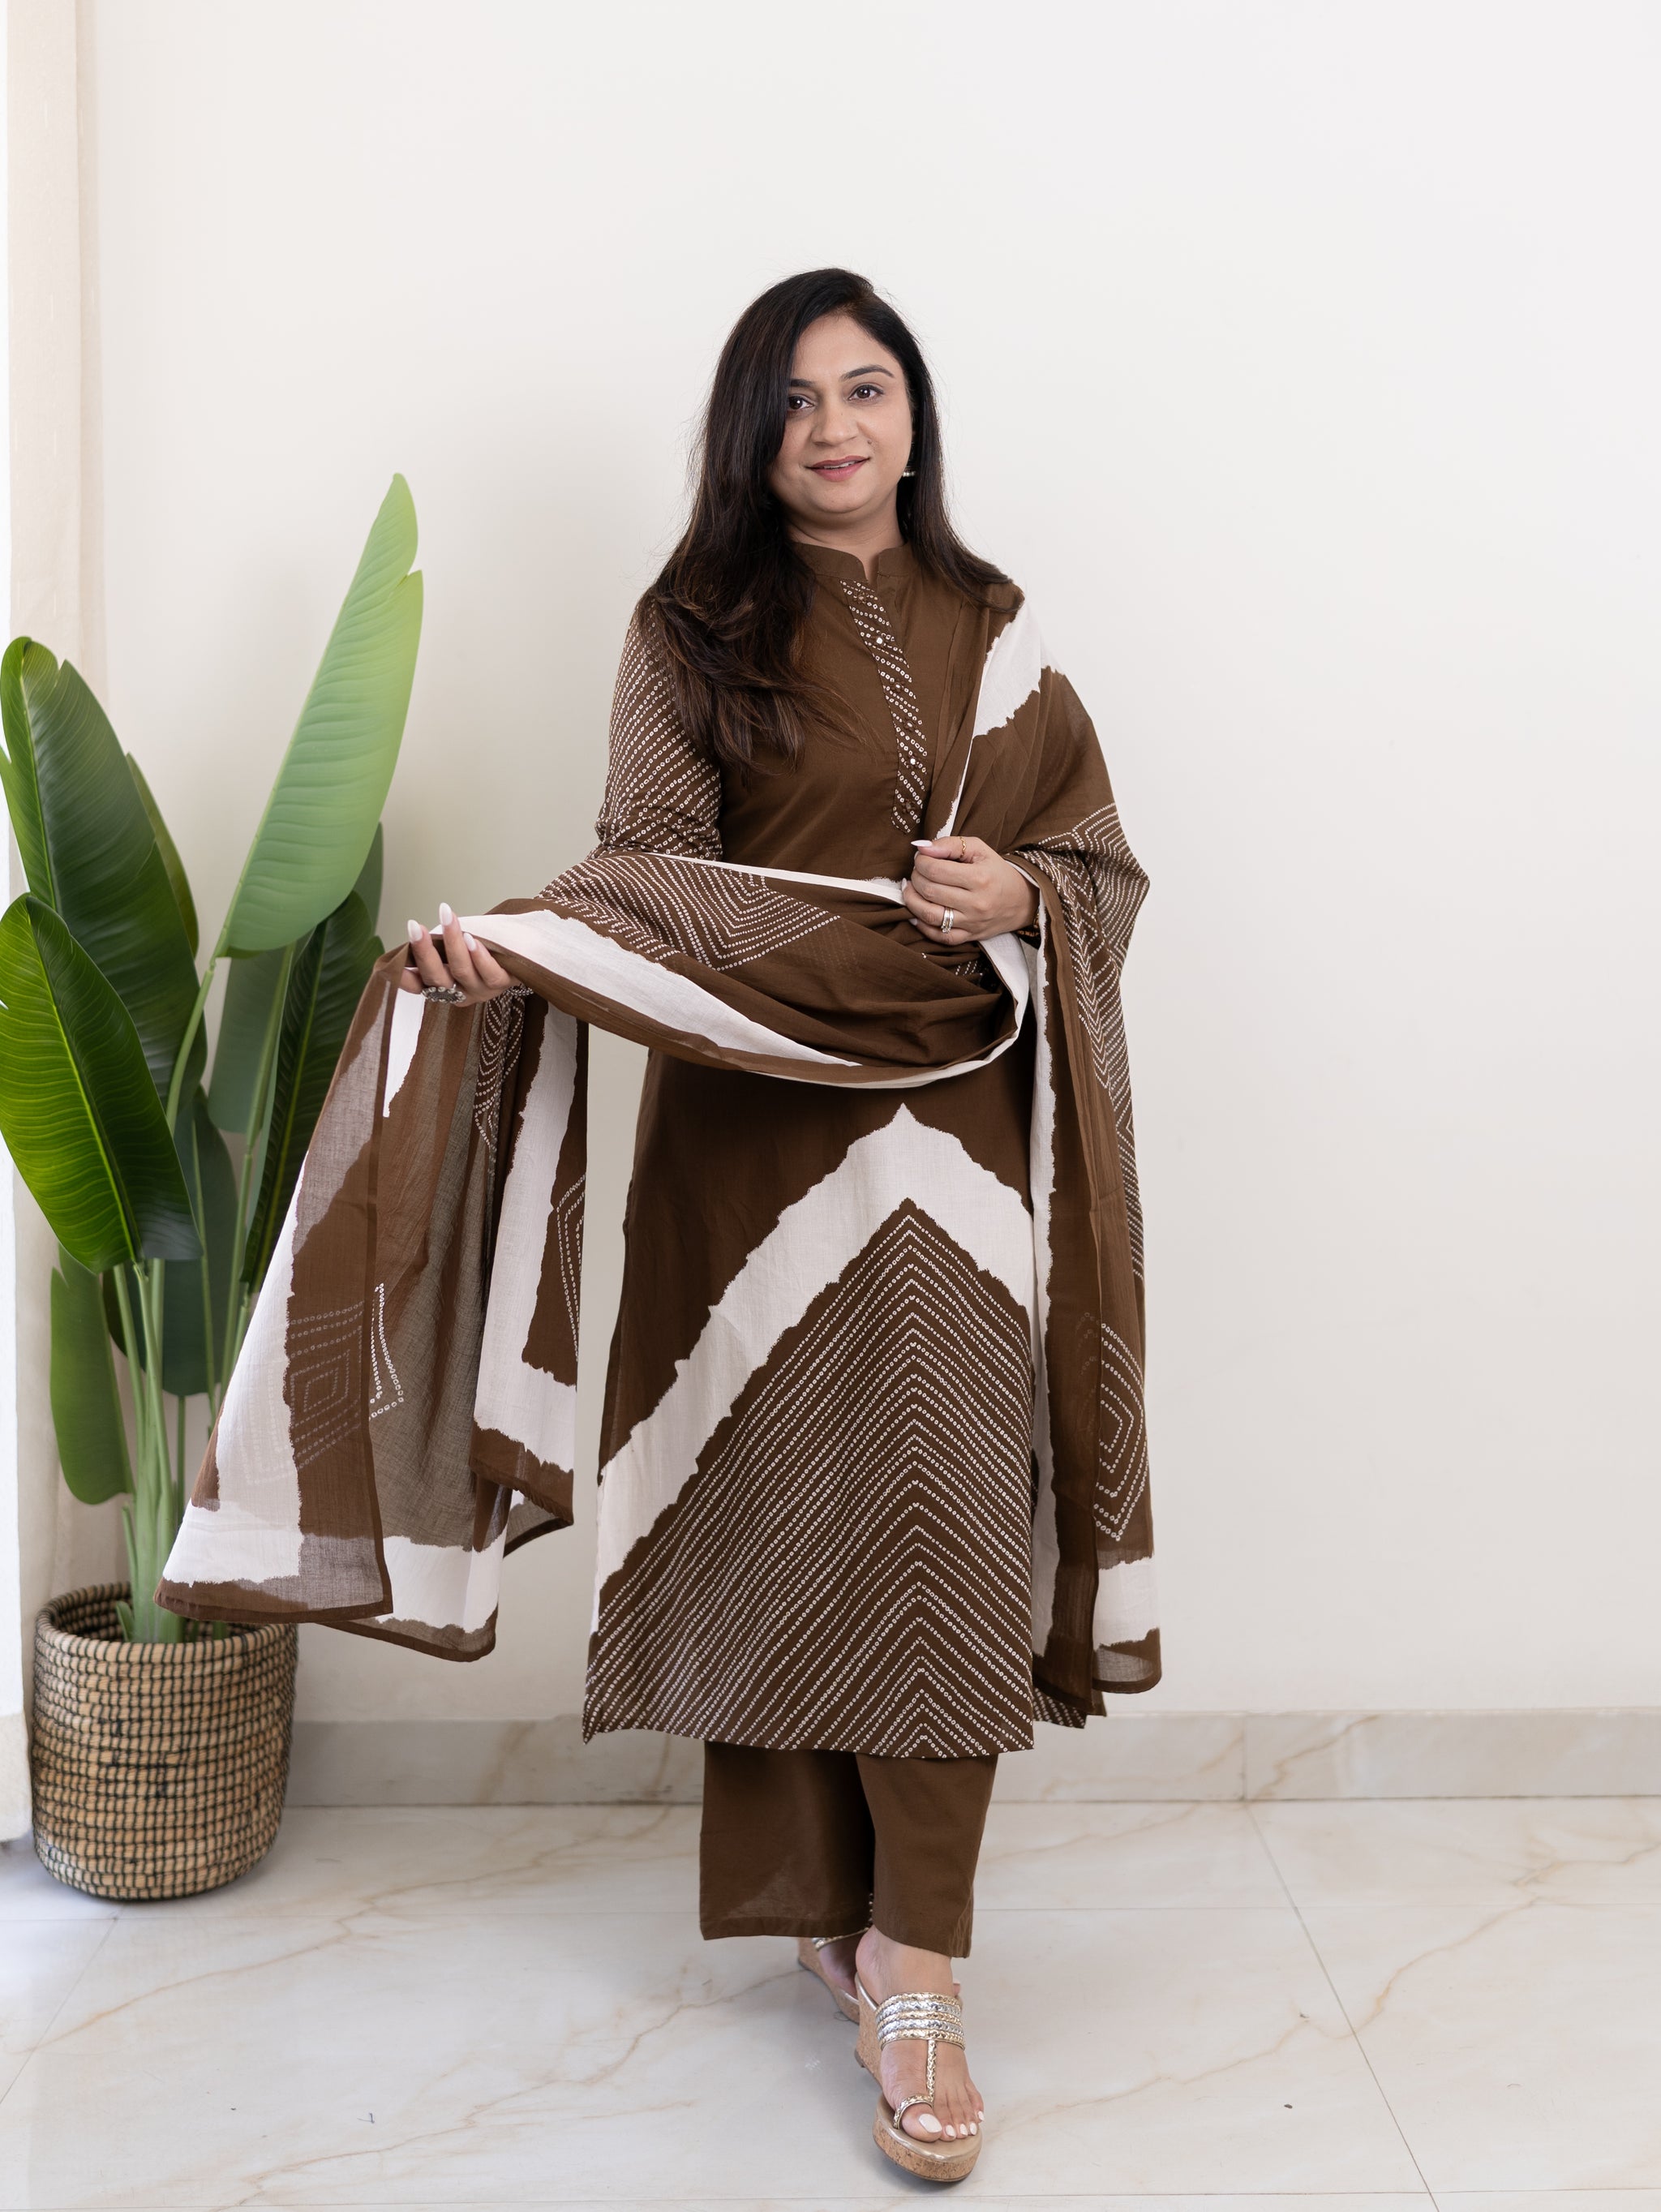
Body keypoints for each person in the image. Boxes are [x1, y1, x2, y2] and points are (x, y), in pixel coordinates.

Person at [162, 268, 1159, 2187]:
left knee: (943, 1517)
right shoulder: (692, 627)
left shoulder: (1001, 629)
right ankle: (832, 1912)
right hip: (750, 1154)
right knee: (780, 1515)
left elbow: (1103, 868)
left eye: (866, 389)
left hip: (953, 1145)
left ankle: (922, 1962)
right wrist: (517, 945)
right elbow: (646, 874)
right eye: (794, 400)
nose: (834, 427)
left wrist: (1022, 898)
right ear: (746, 433)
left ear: (914, 417)